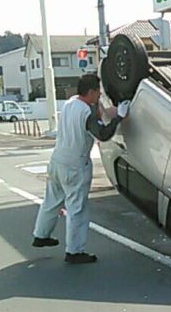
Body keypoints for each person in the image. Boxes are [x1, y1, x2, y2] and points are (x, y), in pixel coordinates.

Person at [31, 74, 130, 264]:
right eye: (98, 92)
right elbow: (102, 134)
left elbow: (97, 113)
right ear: (91, 92)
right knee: (77, 209)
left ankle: (41, 235)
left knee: (51, 201)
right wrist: (120, 117)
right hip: (75, 166)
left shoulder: (70, 104)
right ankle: (74, 251)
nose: (100, 94)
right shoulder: (87, 113)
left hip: (57, 161)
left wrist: (107, 111)